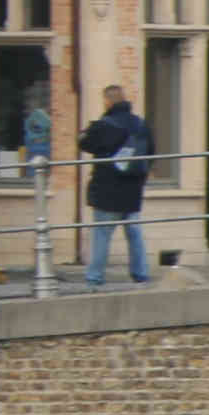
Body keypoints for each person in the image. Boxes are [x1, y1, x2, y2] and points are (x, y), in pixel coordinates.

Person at [77, 85, 153, 286]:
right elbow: (152, 152)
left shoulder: (103, 125)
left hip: (107, 190)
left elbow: (84, 143)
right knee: (134, 233)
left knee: (102, 234)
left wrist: (87, 130)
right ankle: (141, 274)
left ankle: (94, 277)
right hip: (133, 190)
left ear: (108, 101)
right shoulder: (140, 124)